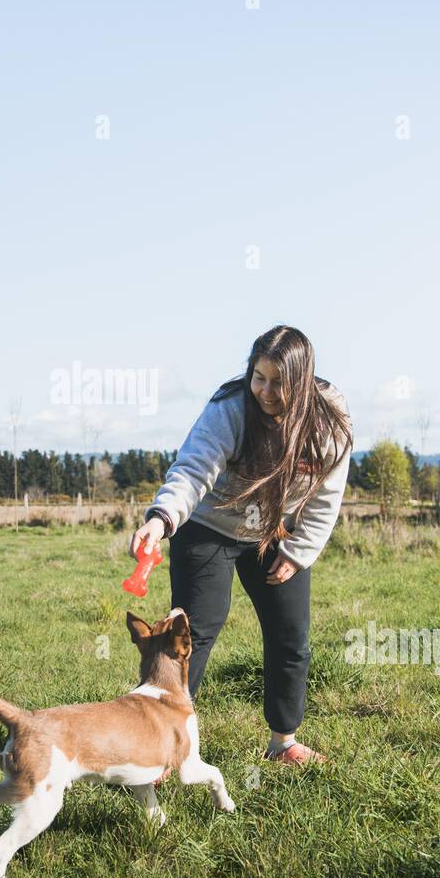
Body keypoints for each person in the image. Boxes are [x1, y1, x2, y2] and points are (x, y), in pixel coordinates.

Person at [130, 324, 353, 765]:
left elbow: (328, 492)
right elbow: (193, 471)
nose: (265, 392)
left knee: (291, 636)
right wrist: (160, 519)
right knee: (193, 633)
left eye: (279, 382)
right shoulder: (229, 409)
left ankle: (283, 742)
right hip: (209, 525)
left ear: (304, 380)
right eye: (258, 377)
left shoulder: (329, 418)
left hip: (275, 533)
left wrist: (299, 550)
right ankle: (156, 747)